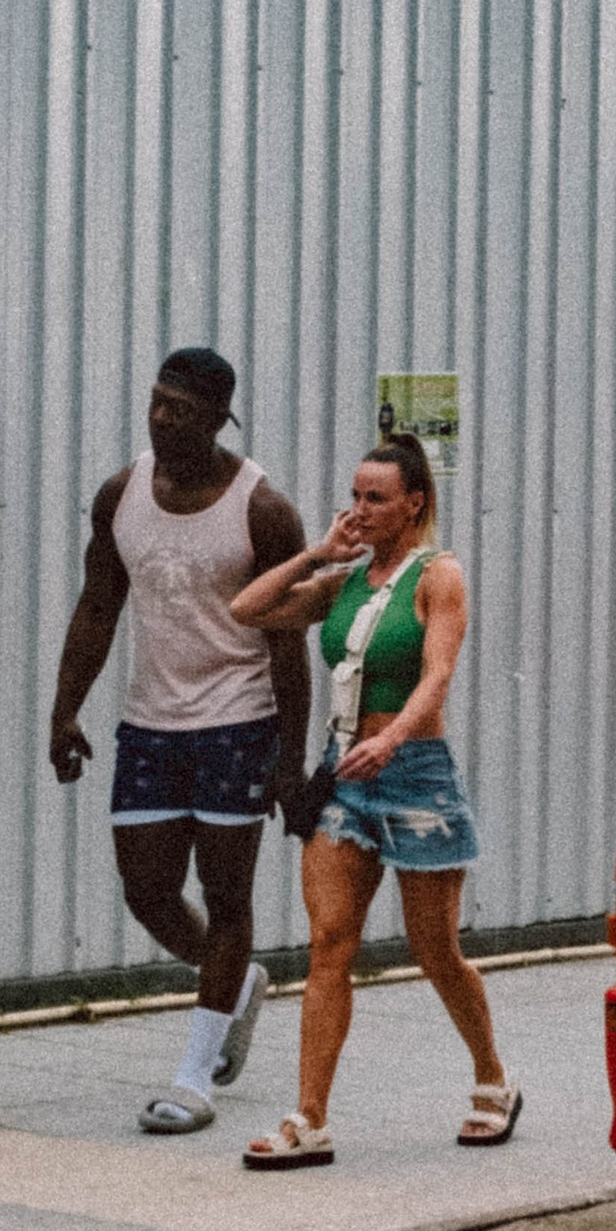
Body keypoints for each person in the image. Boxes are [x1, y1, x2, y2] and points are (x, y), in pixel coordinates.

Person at [226, 434, 517, 1167]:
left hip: (415, 772)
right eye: (354, 496)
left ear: (413, 503)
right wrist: (319, 555)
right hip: (343, 775)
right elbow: (249, 608)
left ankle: (493, 1079)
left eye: (375, 499)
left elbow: (438, 674)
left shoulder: (438, 575)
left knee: (435, 950)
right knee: (330, 944)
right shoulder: (347, 579)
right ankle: (310, 1118)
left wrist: (391, 742)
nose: (359, 510)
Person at [47, 346, 312, 1135]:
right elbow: (99, 606)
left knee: (227, 895)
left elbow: (289, 644)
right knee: (148, 890)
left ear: (217, 418)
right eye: (156, 402)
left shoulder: (263, 511)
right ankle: (233, 982)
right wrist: (64, 711)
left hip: (239, 719)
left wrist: (289, 763)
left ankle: (195, 1077)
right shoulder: (121, 495)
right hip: (151, 723)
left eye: (181, 410)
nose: (163, 418)